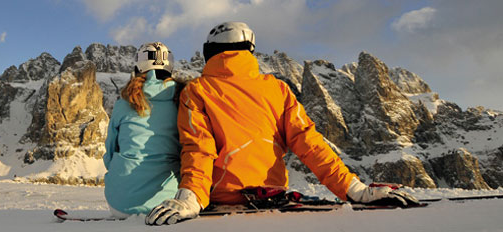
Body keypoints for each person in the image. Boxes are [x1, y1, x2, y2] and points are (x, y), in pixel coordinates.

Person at [145, 22, 420, 225]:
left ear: (209, 52)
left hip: (221, 200)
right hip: (270, 197)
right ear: (249, 50)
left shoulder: (197, 90)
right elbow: (309, 143)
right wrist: (352, 188)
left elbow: (198, 150)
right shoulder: (277, 89)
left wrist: (190, 197)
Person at [103, 42, 182, 218]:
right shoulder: (182, 102)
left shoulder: (124, 103)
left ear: (138, 67)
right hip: (168, 204)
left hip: (119, 203)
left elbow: (109, 153)